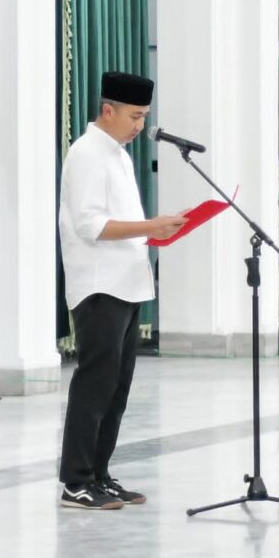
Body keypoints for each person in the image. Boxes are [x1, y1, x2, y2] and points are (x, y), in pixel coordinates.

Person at [59, 71, 182, 510]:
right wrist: (152, 226)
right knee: (95, 384)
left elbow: (124, 222)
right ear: (107, 110)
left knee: (117, 387)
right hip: (99, 286)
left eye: (144, 116)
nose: (139, 125)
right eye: (134, 116)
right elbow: (89, 225)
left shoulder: (119, 155)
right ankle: (76, 480)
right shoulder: (87, 153)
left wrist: (157, 232)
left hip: (127, 283)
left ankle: (99, 472)